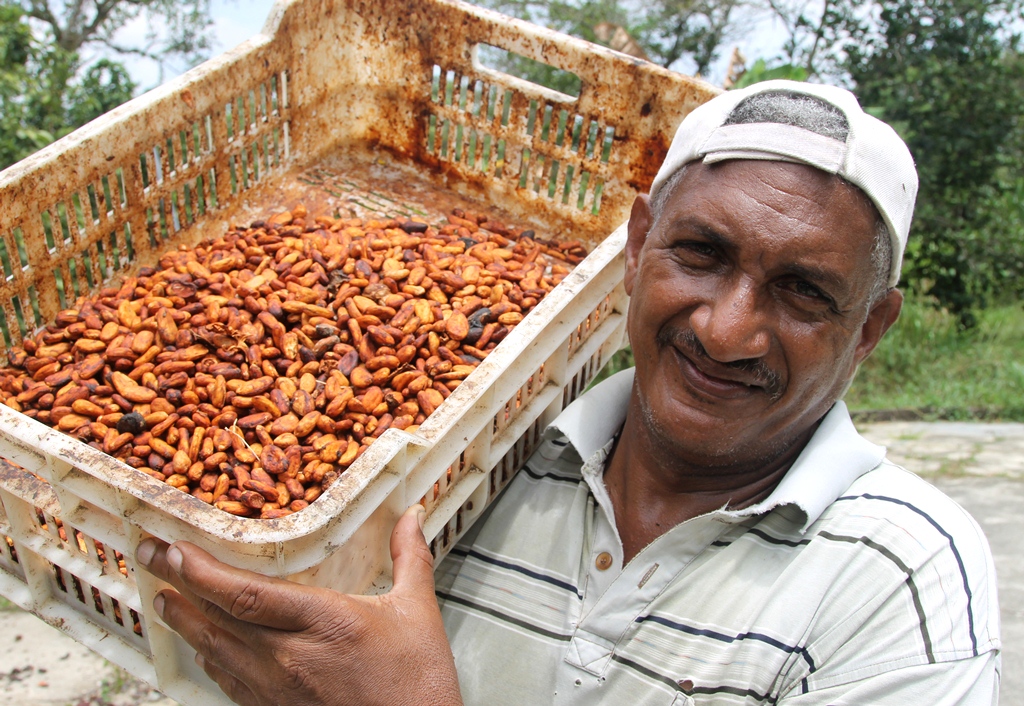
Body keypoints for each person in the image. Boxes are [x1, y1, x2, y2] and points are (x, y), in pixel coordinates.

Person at [135, 80, 1000, 705]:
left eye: (804, 292)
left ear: (871, 329)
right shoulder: (478, 454)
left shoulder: (904, 576)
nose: (728, 330)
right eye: (699, 254)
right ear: (635, 248)